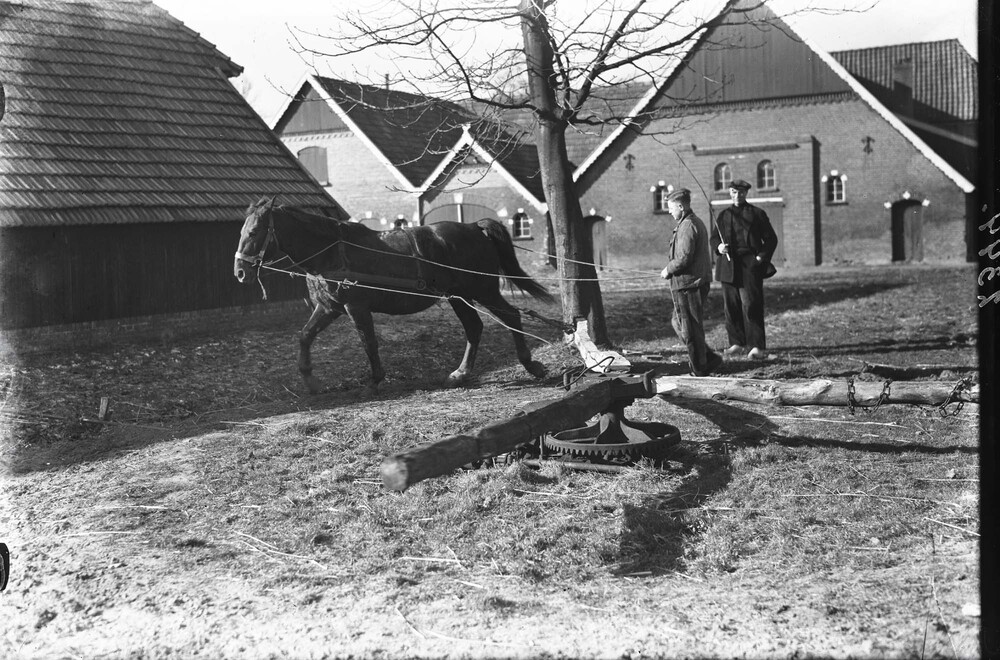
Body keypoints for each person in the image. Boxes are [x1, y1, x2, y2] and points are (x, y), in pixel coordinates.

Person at [710, 178, 778, 360]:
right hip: (728, 266)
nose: (737, 195)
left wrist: (760, 258)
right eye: (733, 192)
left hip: (750, 266)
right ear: (729, 193)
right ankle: (737, 343)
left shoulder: (757, 214)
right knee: (731, 307)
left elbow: (771, 239)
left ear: (746, 193)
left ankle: (757, 347)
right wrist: (719, 247)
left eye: (741, 192)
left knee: (751, 306)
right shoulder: (723, 215)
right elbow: (714, 238)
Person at [660, 188, 723, 377]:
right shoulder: (690, 222)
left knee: (689, 328)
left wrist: (668, 269)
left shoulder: (687, 226)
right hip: (691, 283)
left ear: (681, 206)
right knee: (678, 322)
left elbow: (684, 258)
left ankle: (700, 368)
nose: (669, 211)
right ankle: (708, 358)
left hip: (689, 285)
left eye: (671, 208)